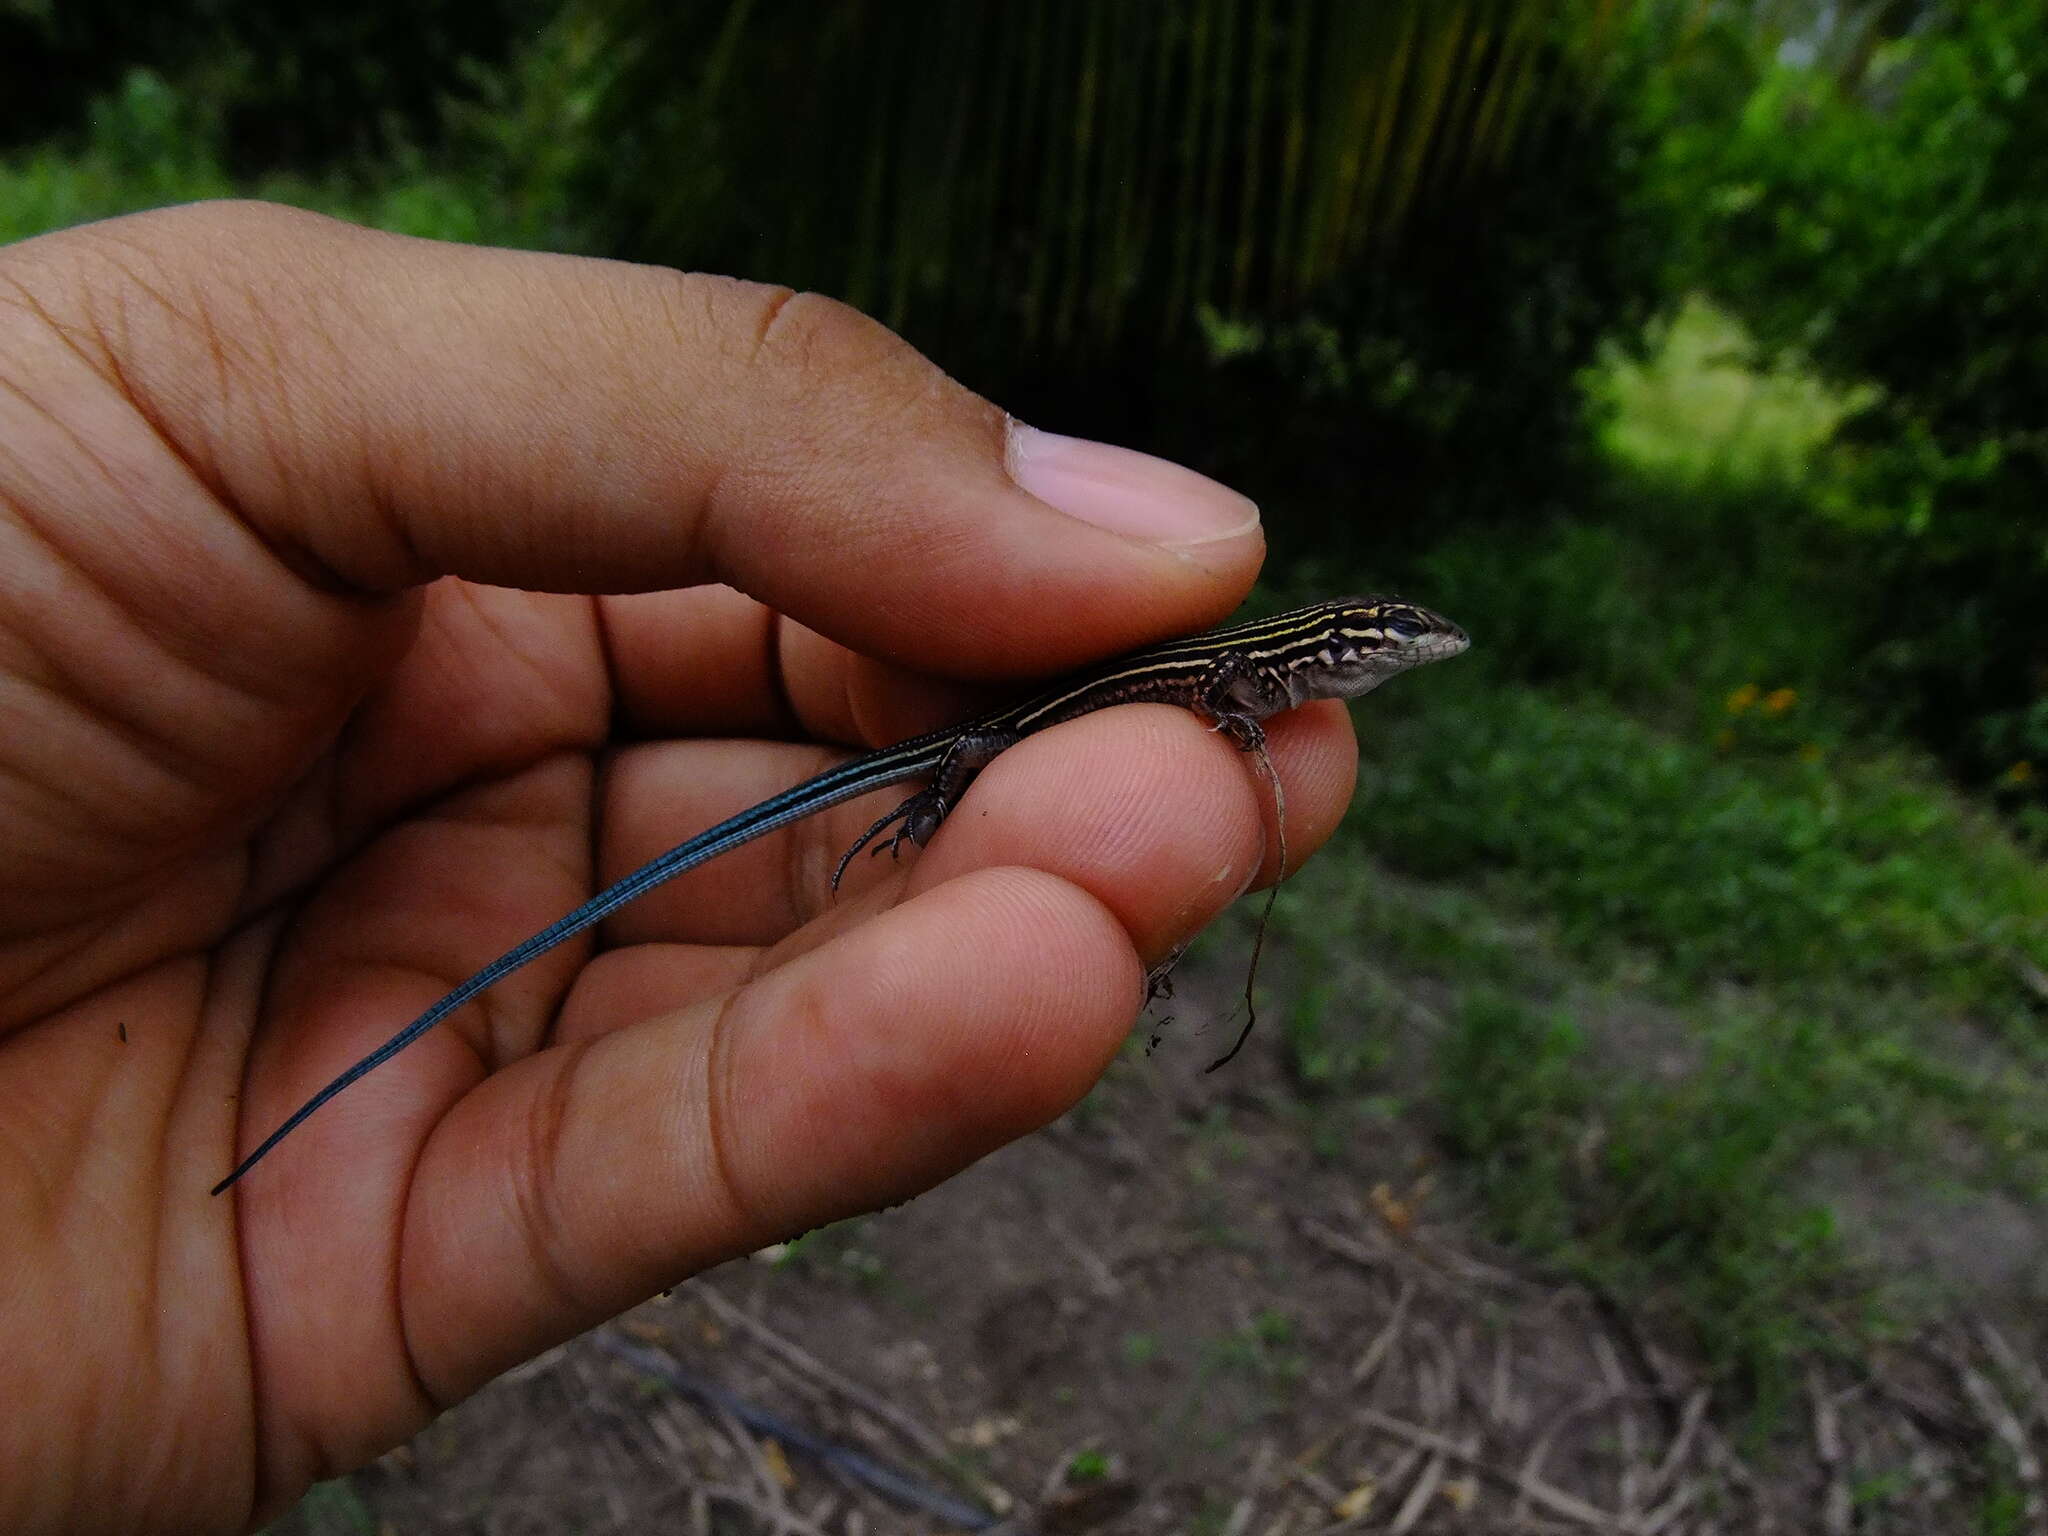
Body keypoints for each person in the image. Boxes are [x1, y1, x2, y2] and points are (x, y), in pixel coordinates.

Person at [0, 201, 1361, 1534]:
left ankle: (929, 801)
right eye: (1387, 641)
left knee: (1012, 884)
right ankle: (929, 801)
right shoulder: (1243, 673)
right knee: (996, 820)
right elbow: (1205, 704)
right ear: (1335, 648)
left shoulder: (1252, 677)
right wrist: (956, 780)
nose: (1398, 654)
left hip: (984, 742)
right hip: (981, 743)